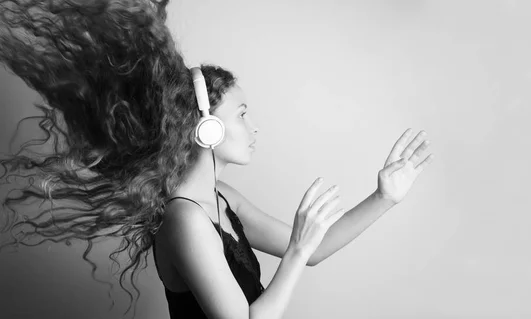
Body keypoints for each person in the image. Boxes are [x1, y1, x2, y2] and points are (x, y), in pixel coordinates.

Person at [0, 0, 434, 318]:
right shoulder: (184, 220)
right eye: (242, 114)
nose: (255, 127)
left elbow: (314, 251)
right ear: (206, 128)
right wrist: (297, 252)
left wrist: (384, 198)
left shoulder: (221, 197)